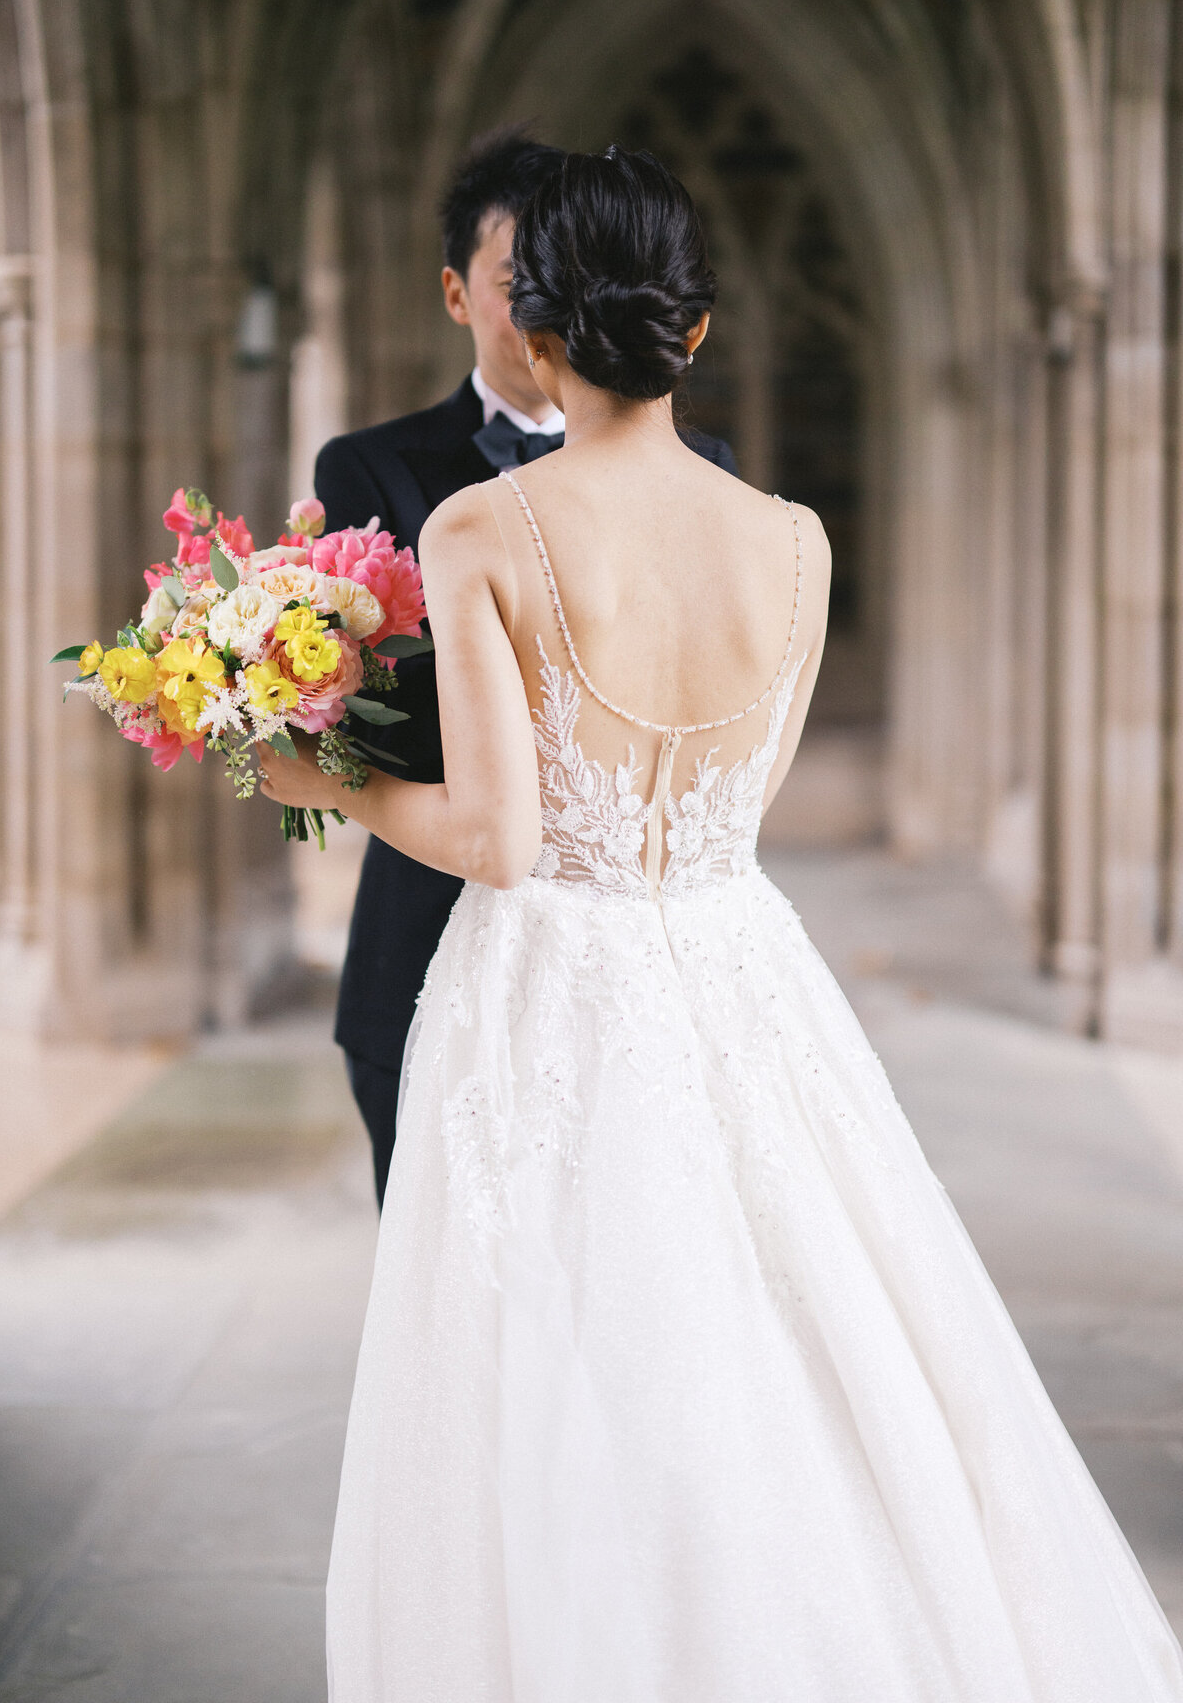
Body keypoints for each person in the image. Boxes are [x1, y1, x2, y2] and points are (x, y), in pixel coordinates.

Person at [261, 148, 1183, 1701]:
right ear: (695, 335)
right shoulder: (801, 541)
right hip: (740, 971)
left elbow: (497, 838)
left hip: (547, 987)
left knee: (548, 1388)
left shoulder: (487, 531)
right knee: (794, 1353)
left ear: (534, 334)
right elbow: (728, 810)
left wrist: (315, 777)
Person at [314, 128, 737, 1205]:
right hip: (423, 937)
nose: (549, 307)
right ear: (461, 295)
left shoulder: (714, 480)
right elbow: (380, 712)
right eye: (523, 282)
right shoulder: (372, 468)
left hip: (619, 964)